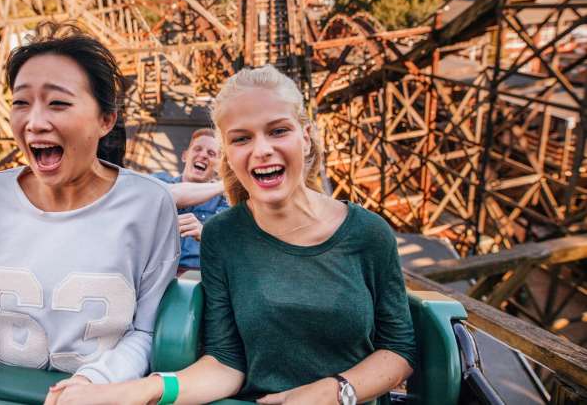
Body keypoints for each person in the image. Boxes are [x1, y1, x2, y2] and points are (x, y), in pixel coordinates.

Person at [50, 65, 415, 405]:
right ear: (229, 153)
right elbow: (226, 364)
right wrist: (136, 391)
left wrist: (334, 391)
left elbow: (399, 349)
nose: (261, 150)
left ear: (305, 137)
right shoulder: (224, 237)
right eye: (241, 139)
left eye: (278, 131)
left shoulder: (368, 233)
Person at [0, 22, 179, 405]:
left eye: (58, 103)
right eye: (21, 102)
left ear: (106, 119)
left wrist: (94, 383)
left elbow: (146, 333)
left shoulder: (149, 204)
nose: (34, 122)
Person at [154, 128, 228, 272]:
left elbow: (231, 251)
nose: (203, 155)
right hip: (153, 274)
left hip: (196, 277)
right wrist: (226, 184)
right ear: (184, 156)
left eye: (211, 153)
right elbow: (170, 194)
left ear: (219, 165)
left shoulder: (224, 203)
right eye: (197, 149)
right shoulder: (160, 181)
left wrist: (207, 236)